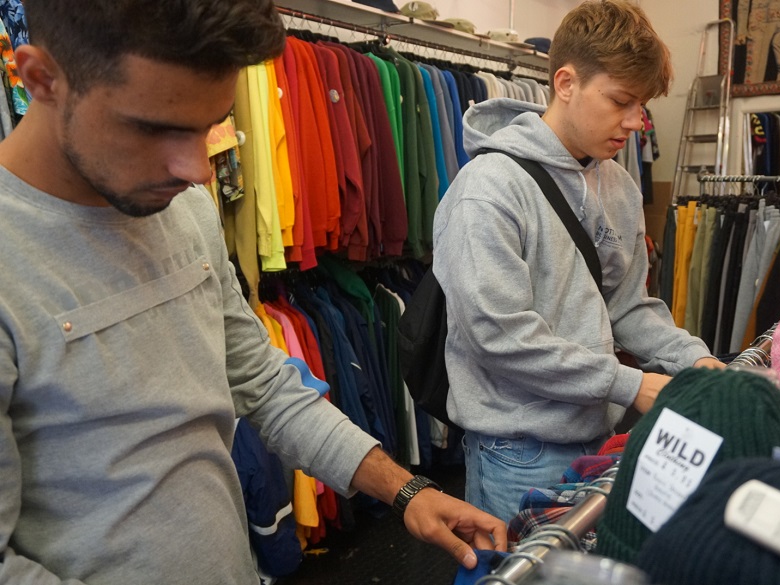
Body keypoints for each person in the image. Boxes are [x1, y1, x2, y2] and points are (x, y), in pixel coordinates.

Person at [0, 1, 506, 583]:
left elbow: (263, 383)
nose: (196, 170)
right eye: (156, 128)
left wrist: (406, 490)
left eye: (211, 124)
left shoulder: (185, 211)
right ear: (40, 78)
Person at [431, 0, 725, 524]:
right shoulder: (487, 190)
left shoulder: (619, 185)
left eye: (643, 106)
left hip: (598, 437)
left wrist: (692, 358)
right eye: (621, 101)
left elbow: (629, 306)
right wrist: (630, 385)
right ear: (566, 83)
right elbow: (499, 336)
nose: (636, 122)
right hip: (518, 451)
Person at [736, 0, 780, 84]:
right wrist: (741, 31)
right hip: (760, 20)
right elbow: (743, 2)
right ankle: (754, 96)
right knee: (755, 74)